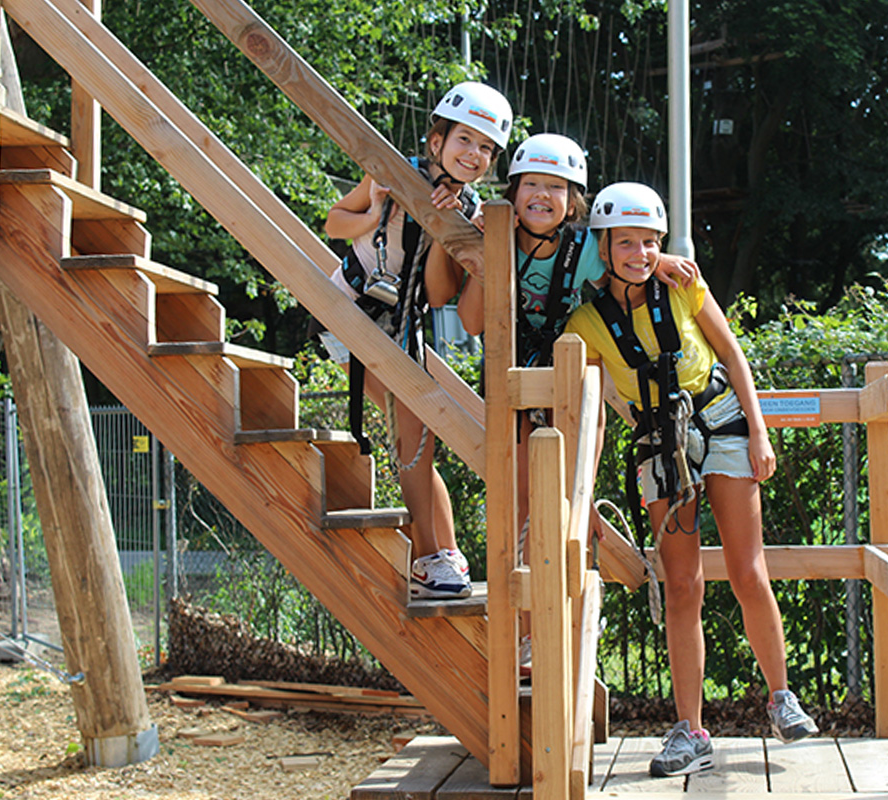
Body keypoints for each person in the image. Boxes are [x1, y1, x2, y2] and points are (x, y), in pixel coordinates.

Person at [564, 182, 818, 777]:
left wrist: (759, 430)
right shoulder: (585, 322)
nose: (640, 253)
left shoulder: (682, 284)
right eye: (626, 242)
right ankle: (690, 729)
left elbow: (732, 352)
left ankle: (782, 698)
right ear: (603, 245)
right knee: (682, 585)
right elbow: (594, 407)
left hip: (721, 422)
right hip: (658, 443)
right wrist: (582, 488)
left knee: (746, 566)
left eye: (651, 241)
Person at [427, 136, 696, 666]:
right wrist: (485, 257)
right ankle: (529, 637)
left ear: (574, 198)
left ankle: (570, 621)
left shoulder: (589, 247)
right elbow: (474, 322)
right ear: (514, 189)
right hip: (516, 386)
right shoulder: (497, 236)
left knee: (570, 505)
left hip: (574, 390)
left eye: (556, 187)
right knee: (525, 511)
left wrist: (658, 255)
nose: (543, 197)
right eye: (532, 184)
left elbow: (629, 251)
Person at [319, 81, 513, 601]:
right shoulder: (391, 172)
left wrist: (444, 225)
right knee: (413, 436)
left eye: (485, 148)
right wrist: (380, 210)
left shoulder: (469, 210)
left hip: (405, 320)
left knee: (419, 437)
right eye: (465, 140)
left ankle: (441, 553)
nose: (474, 154)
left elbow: (438, 291)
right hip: (354, 308)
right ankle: (432, 557)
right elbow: (335, 221)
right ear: (436, 142)